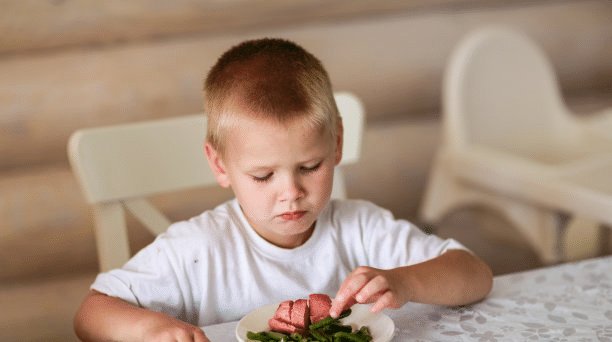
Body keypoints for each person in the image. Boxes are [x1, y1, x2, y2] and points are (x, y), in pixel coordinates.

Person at [74, 38, 493, 342]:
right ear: (220, 165)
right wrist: (148, 327)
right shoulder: (196, 250)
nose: (290, 192)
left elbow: (475, 275)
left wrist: (405, 282)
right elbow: (92, 313)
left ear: (336, 146)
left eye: (309, 167)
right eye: (263, 176)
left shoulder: (360, 227)